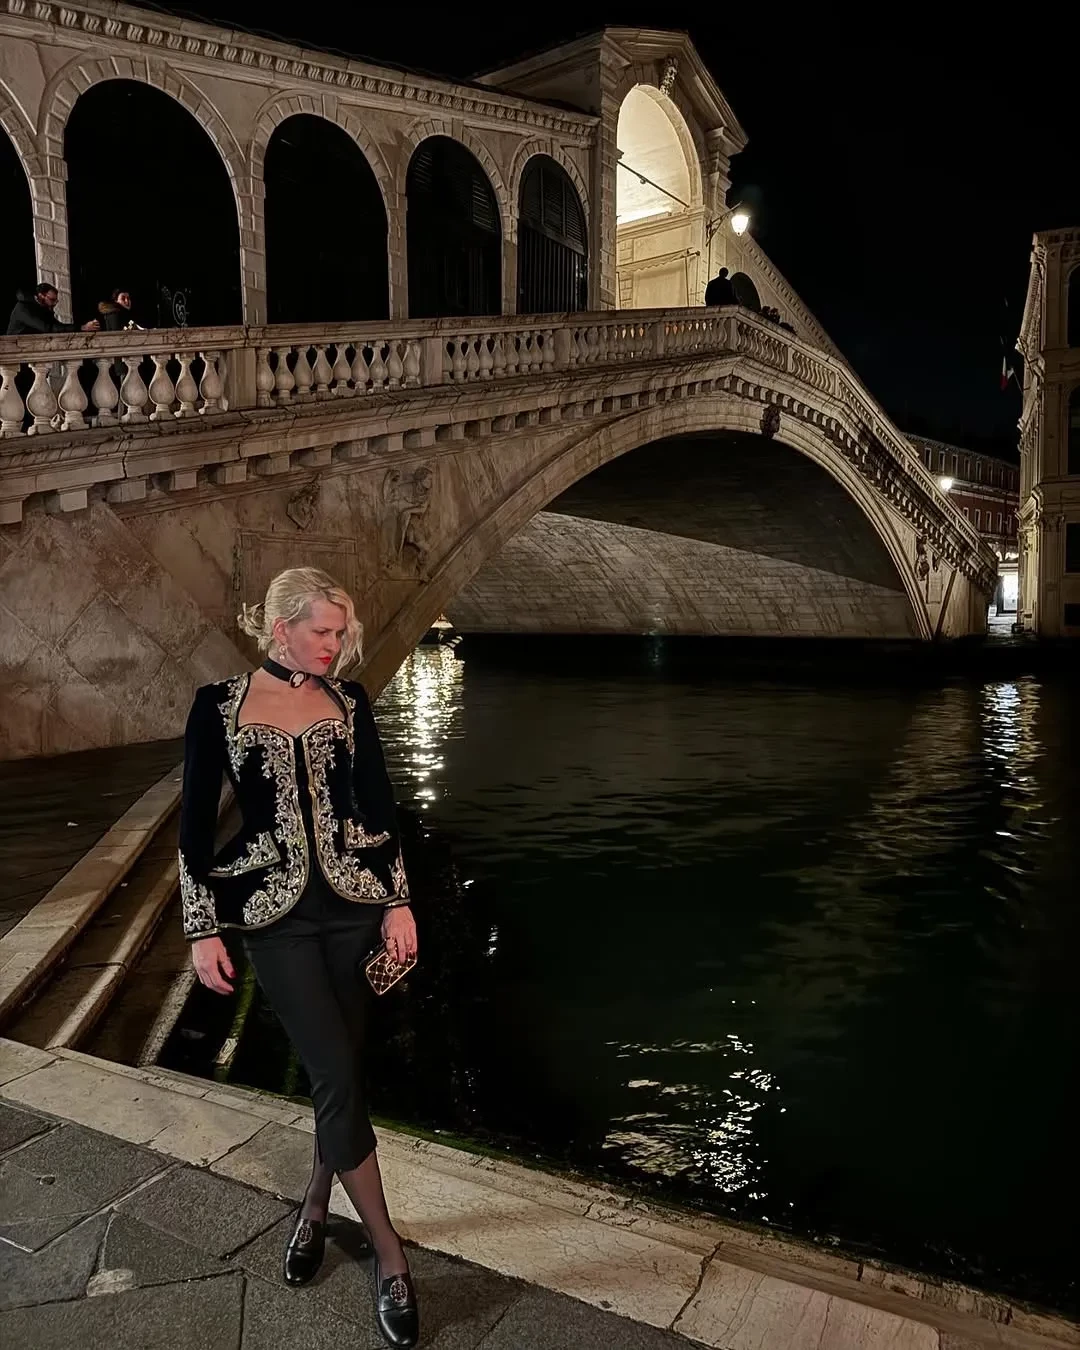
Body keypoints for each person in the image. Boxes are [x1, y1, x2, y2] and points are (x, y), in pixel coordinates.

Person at [179, 567, 420, 1350]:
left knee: (337, 1074)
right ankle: (390, 1255)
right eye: (321, 631)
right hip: (272, 917)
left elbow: (379, 804)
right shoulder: (218, 706)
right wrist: (202, 929)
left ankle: (315, 1209)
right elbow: (193, 824)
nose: (333, 645)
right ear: (280, 627)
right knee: (336, 1072)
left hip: (354, 908)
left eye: (339, 633)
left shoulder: (349, 703)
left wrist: (398, 901)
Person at [5, 282, 100, 334]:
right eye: (52, 300)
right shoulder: (23, 308)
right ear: (41, 296)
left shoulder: (42, 307)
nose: (55, 303)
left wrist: (82, 327)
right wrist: (82, 327)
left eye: (56, 300)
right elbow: (48, 328)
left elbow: (58, 326)